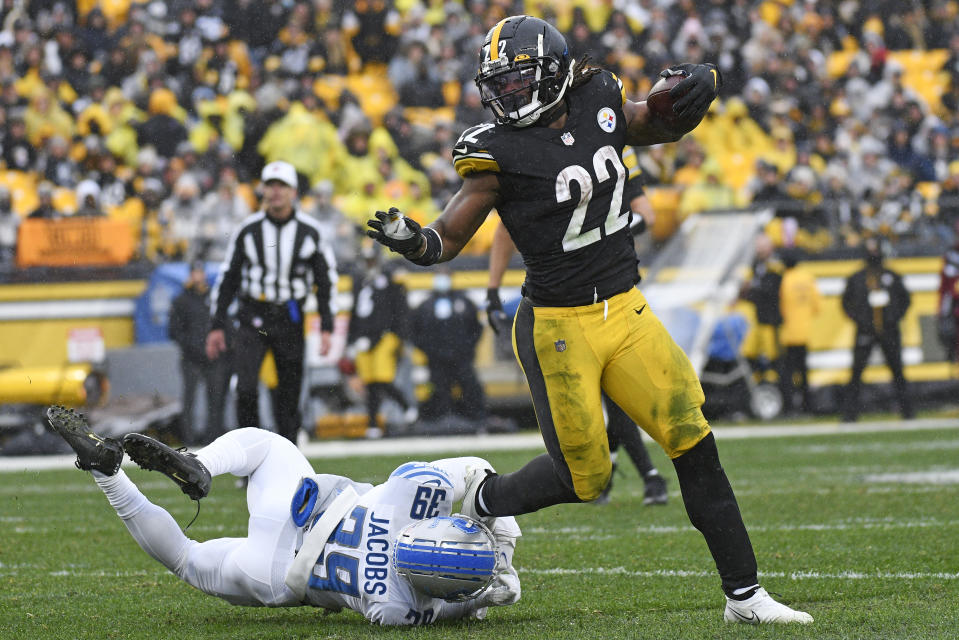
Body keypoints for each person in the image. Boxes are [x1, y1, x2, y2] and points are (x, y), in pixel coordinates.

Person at [366, 15, 811, 624]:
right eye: (501, 83)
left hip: (626, 308)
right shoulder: (495, 152)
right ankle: (482, 499)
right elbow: (448, 236)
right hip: (557, 325)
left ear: (552, 74)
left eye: (520, 81)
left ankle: (745, 596)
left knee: (693, 438)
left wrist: (687, 99)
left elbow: (647, 122)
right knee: (587, 477)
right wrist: (415, 241)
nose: (509, 93)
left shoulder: (596, 95)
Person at [45, 405, 521, 626]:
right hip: (278, 574)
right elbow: (461, 605)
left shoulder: (413, 491)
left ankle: (202, 465)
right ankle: (106, 473)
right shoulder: (396, 607)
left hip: (300, 505)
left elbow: (478, 472)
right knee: (187, 560)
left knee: (267, 444)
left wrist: (501, 536)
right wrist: (491, 588)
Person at [487, 221, 667, 507]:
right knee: (582, 414)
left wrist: (614, 228)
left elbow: (645, 215)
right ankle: (640, 476)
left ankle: (645, 476)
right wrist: (493, 288)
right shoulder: (544, 187)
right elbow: (505, 228)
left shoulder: (615, 179)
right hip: (565, 310)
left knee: (618, 403)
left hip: (610, 302)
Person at [206, 160, 337, 444]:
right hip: (253, 315)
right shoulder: (248, 229)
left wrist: (327, 326)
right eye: (270, 185)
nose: (275, 192)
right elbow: (227, 277)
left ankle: (286, 454)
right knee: (246, 387)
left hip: (290, 316)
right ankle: (250, 456)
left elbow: (325, 281)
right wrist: (216, 325)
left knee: (289, 392)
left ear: (294, 191)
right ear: (262, 190)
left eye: (282, 186)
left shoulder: (311, 232)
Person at [341, 246, 417, 437]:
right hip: (363, 339)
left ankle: (406, 406)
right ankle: (373, 423)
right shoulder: (359, 282)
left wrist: (401, 337)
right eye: (367, 261)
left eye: (372, 261)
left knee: (382, 379)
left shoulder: (390, 280)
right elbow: (355, 314)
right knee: (370, 383)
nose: (370, 265)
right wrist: (351, 340)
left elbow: (397, 310)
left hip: (384, 336)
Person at [840, 239, 914, 422]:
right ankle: (850, 414)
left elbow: (905, 300)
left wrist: (893, 318)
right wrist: (861, 320)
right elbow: (845, 303)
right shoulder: (857, 278)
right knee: (856, 373)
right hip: (866, 330)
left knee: (897, 371)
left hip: (888, 330)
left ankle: (908, 412)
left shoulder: (891, 276)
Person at [409, 267, 487, 425]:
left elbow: (475, 327)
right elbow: (414, 331)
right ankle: (442, 421)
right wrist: (429, 350)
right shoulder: (425, 305)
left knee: (470, 387)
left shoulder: (463, 301)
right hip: (436, 358)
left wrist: (467, 348)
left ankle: (476, 420)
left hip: (461, 356)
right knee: (440, 390)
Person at [169, 260, 230, 445]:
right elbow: (174, 331)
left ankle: (214, 438)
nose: (198, 276)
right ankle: (188, 439)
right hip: (191, 358)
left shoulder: (213, 298)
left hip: (214, 358)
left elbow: (224, 324)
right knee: (189, 400)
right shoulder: (181, 300)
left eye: (200, 272)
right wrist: (194, 347)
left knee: (216, 400)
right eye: (195, 272)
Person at [778, 250, 821, 415]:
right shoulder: (807, 278)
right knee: (804, 372)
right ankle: (807, 405)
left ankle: (789, 407)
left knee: (787, 373)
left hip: (788, 333)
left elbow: (780, 307)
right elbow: (817, 306)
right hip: (805, 332)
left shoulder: (784, 280)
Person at [742, 233, 783, 383]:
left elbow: (770, 290)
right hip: (756, 320)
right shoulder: (755, 265)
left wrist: (751, 288)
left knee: (772, 358)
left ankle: (774, 388)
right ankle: (757, 385)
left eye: (762, 248)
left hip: (770, 320)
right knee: (751, 355)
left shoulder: (776, 266)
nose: (759, 251)